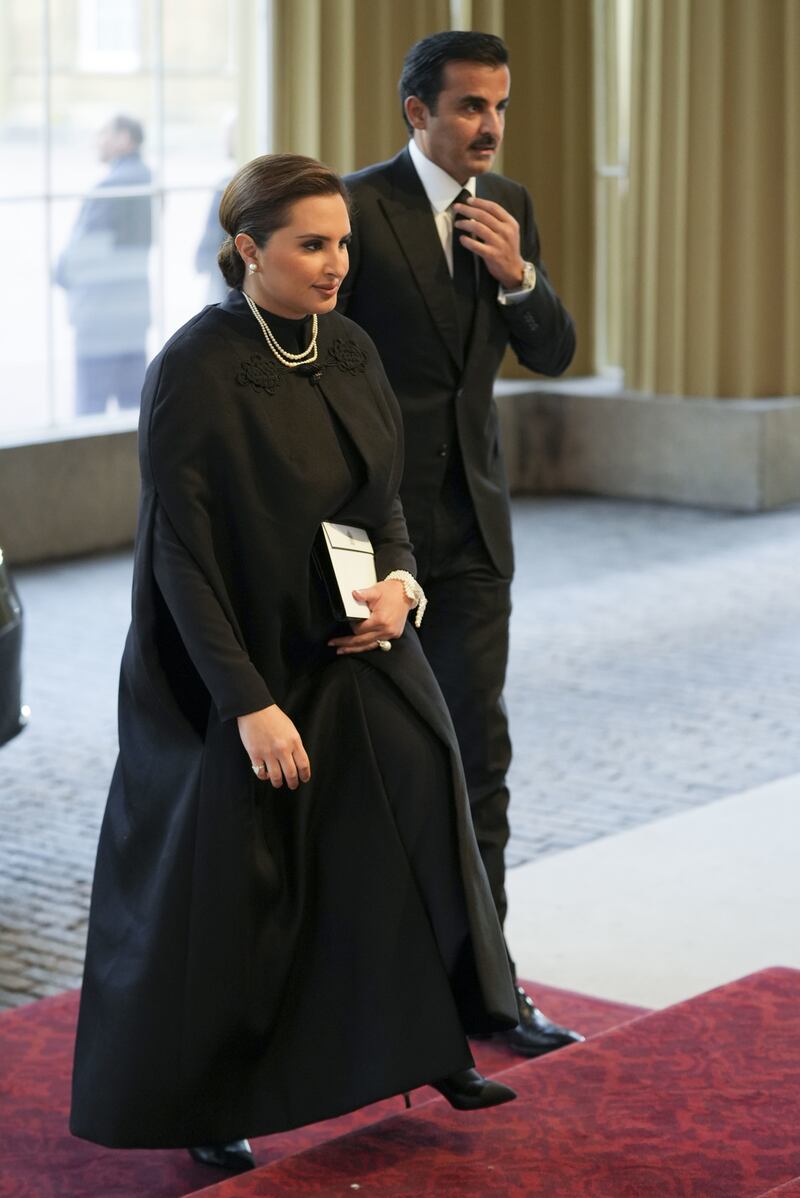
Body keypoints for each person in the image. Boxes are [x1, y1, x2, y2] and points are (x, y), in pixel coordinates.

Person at [70, 154, 519, 1172]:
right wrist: (248, 706)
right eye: (312, 244)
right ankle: (204, 1098)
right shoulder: (192, 365)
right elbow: (178, 555)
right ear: (246, 251)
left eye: (343, 243)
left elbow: (383, 508)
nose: (335, 263)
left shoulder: (352, 350)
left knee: (415, 788)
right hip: (228, 659)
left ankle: (431, 1037)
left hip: (352, 636)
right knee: (235, 870)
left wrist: (399, 589)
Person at [339, 30, 582, 1057]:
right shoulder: (350, 209)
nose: (486, 125)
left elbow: (554, 352)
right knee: (369, 761)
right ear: (415, 112)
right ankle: (358, 993)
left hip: (473, 530)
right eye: (469, 106)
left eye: (498, 106)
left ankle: (490, 988)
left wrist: (519, 276)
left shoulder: (508, 206)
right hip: (365, 535)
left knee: (478, 757)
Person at [55, 114, 151, 415]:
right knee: (134, 410)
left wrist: (59, 271)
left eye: (104, 134)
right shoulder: (147, 179)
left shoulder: (114, 185)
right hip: (132, 314)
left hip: (101, 317)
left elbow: (82, 254)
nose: (98, 141)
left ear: (125, 138)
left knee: (90, 411)